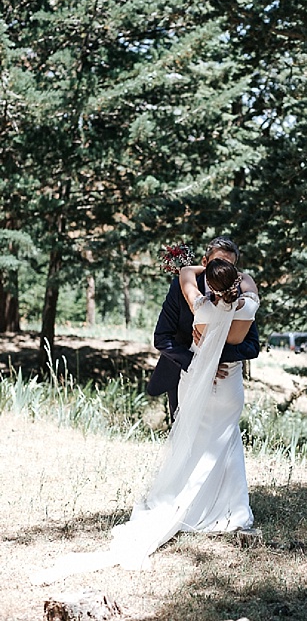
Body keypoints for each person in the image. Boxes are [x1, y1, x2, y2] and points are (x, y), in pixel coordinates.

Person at [31, 258, 260, 582]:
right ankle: (234, 509)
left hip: (202, 383)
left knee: (200, 443)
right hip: (228, 389)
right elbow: (247, 291)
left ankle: (200, 503)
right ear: (236, 280)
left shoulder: (202, 310)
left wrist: (196, 266)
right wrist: (237, 277)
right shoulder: (248, 307)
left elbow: (185, 275)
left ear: (210, 281)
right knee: (226, 441)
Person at [147, 236, 260, 421]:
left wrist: (212, 361)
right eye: (217, 263)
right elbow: (162, 337)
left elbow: (252, 346)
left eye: (228, 266)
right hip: (184, 371)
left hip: (224, 378)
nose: (222, 270)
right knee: (182, 432)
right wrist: (197, 365)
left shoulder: (210, 297)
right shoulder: (180, 289)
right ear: (205, 261)